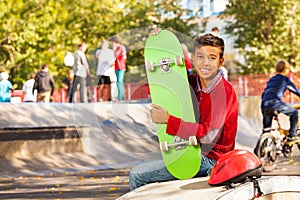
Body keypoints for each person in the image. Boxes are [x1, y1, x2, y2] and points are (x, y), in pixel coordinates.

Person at [129, 30, 239, 190]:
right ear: (193, 59)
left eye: (212, 58)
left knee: (137, 176)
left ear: (221, 62)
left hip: (212, 159)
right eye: (200, 56)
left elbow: (208, 136)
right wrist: (158, 42)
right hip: (190, 149)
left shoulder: (224, 91)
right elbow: (164, 80)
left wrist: (168, 119)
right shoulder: (193, 82)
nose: (205, 63)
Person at [260, 60, 300, 141]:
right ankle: (293, 134)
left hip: (264, 104)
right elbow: (295, 90)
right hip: (275, 103)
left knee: (266, 130)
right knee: (294, 112)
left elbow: (264, 94)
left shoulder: (271, 79)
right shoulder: (285, 79)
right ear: (285, 69)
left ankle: (262, 145)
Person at [111, 36, 127, 101]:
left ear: (115, 42)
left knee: (119, 81)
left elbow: (115, 55)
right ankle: (121, 96)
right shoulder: (118, 48)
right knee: (119, 81)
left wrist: (113, 49)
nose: (112, 44)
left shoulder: (121, 47)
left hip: (121, 67)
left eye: (112, 42)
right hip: (117, 66)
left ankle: (120, 97)